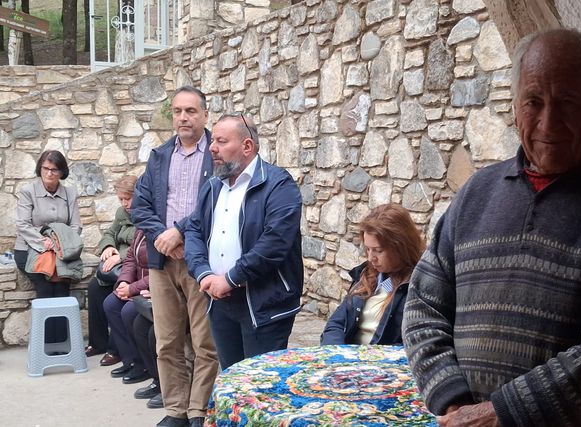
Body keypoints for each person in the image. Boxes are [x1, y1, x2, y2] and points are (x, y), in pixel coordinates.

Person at [402, 28, 581, 427]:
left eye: (567, 102)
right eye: (534, 101)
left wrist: (501, 415)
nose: (549, 123)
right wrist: (454, 403)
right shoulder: (477, 192)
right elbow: (424, 304)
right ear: (514, 105)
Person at [184, 113, 303, 370]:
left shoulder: (278, 184)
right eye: (213, 141)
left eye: (221, 141)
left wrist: (230, 278)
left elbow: (274, 243)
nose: (212, 148)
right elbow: (194, 230)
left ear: (247, 146)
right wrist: (203, 273)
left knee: (261, 382)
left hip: (264, 305)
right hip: (218, 301)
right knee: (231, 378)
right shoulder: (212, 186)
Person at [132, 86, 218, 427]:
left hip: (202, 261)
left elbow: (217, 203)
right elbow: (140, 205)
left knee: (204, 342)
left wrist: (180, 232)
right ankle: (176, 410)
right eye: (178, 111)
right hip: (162, 261)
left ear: (204, 115)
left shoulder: (216, 155)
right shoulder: (160, 156)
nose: (183, 117)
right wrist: (163, 237)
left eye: (191, 111)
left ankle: (199, 410)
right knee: (166, 341)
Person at [321, 203, 424, 346]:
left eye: (378, 250)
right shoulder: (365, 274)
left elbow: (418, 342)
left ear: (401, 247)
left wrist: (370, 357)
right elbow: (336, 324)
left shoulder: (420, 285)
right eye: (368, 249)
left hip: (383, 360)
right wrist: (337, 352)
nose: (370, 258)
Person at [14, 150, 82, 344]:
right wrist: (43, 242)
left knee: (62, 284)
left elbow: (76, 225)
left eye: (54, 169)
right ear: (40, 169)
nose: (49, 173)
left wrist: (61, 242)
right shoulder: (28, 191)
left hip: (61, 250)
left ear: (62, 172)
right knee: (45, 283)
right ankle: (46, 344)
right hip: (30, 249)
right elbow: (23, 225)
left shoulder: (70, 193)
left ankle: (63, 343)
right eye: (45, 168)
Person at [86, 175, 138, 366]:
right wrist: (108, 247)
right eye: (121, 199)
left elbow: (142, 245)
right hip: (118, 266)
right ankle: (97, 342)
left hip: (134, 267)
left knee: (116, 295)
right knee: (94, 288)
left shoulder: (145, 214)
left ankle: (115, 350)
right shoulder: (122, 213)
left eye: (128, 198)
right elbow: (110, 233)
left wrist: (120, 256)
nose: (125, 203)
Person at [103, 228, 151, 384]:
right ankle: (130, 360)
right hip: (136, 285)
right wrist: (124, 281)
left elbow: (160, 271)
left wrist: (132, 288)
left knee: (129, 312)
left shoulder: (160, 231)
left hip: (152, 289)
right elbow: (130, 259)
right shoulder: (140, 230)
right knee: (111, 304)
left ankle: (145, 366)